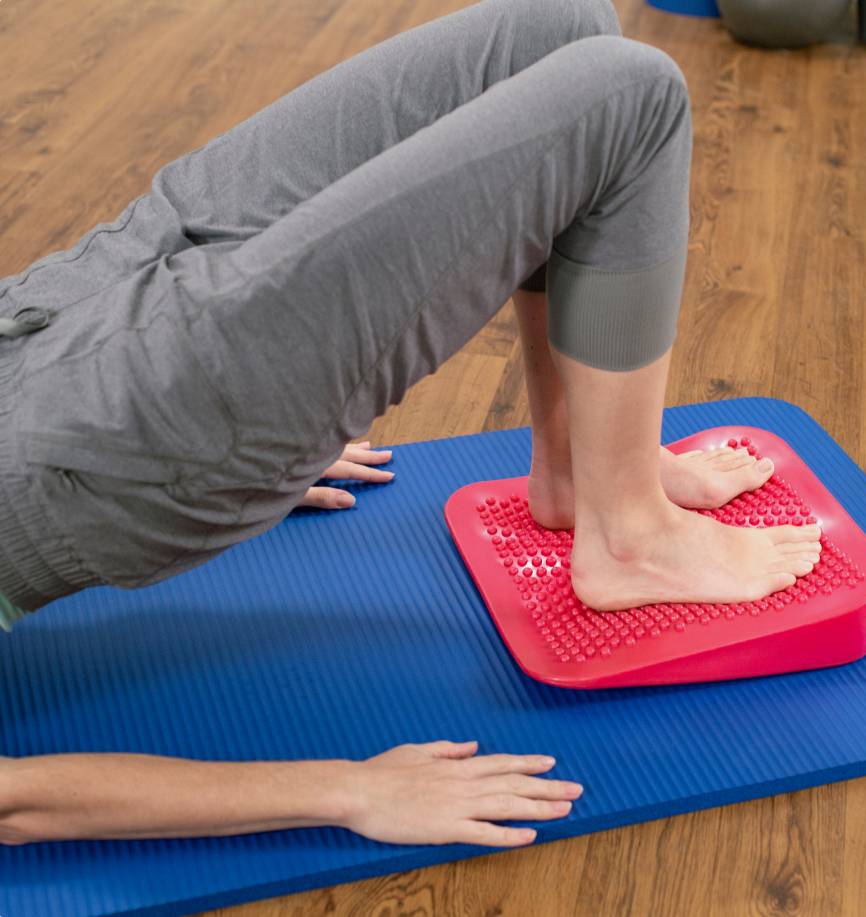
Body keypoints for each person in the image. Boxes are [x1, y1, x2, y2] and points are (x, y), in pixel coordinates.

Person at [0, 0, 821, 848]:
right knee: (631, 98)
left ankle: (578, 465)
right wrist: (349, 791)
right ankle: (630, 532)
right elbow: (10, 802)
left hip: (54, 303)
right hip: (117, 432)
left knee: (558, 26)